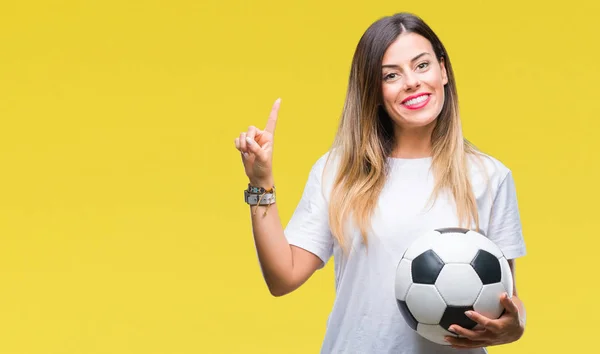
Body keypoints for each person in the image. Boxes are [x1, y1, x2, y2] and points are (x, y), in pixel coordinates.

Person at [234, 12, 527, 354]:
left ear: (443, 70)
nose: (412, 82)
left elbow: (504, 298)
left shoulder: (489, 176)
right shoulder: (339, 171)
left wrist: (515, 325)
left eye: (422, 65)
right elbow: (283, 278)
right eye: (391, 75)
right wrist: (260, 185)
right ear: (374, 91)